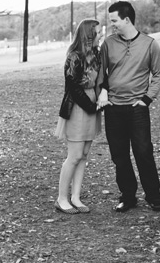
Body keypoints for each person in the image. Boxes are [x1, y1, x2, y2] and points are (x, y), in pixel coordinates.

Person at [98, 1, 160, 212]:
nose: (112, 25)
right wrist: (103, 91)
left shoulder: (149, 44)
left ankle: (154, 196)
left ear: (127, 20)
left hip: (137, 108)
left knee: (143, 151)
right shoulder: (108, 44)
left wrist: (146, 99)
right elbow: (101, 73)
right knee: (119, 156)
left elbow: (158, 74)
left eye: (114, 21)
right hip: (113, 108)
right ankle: (128, 197)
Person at [53, 19, 103, 214]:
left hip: (93, 105)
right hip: (78, 107)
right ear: (89, 36)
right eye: (97, 33)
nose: (100, 36)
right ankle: (62, 198)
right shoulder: (74, 57)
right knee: (74, 156)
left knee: (83, 155)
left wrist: (99, 101)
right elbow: (73, 88)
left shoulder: (96, 55)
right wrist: (91, 106)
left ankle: (76, 197)